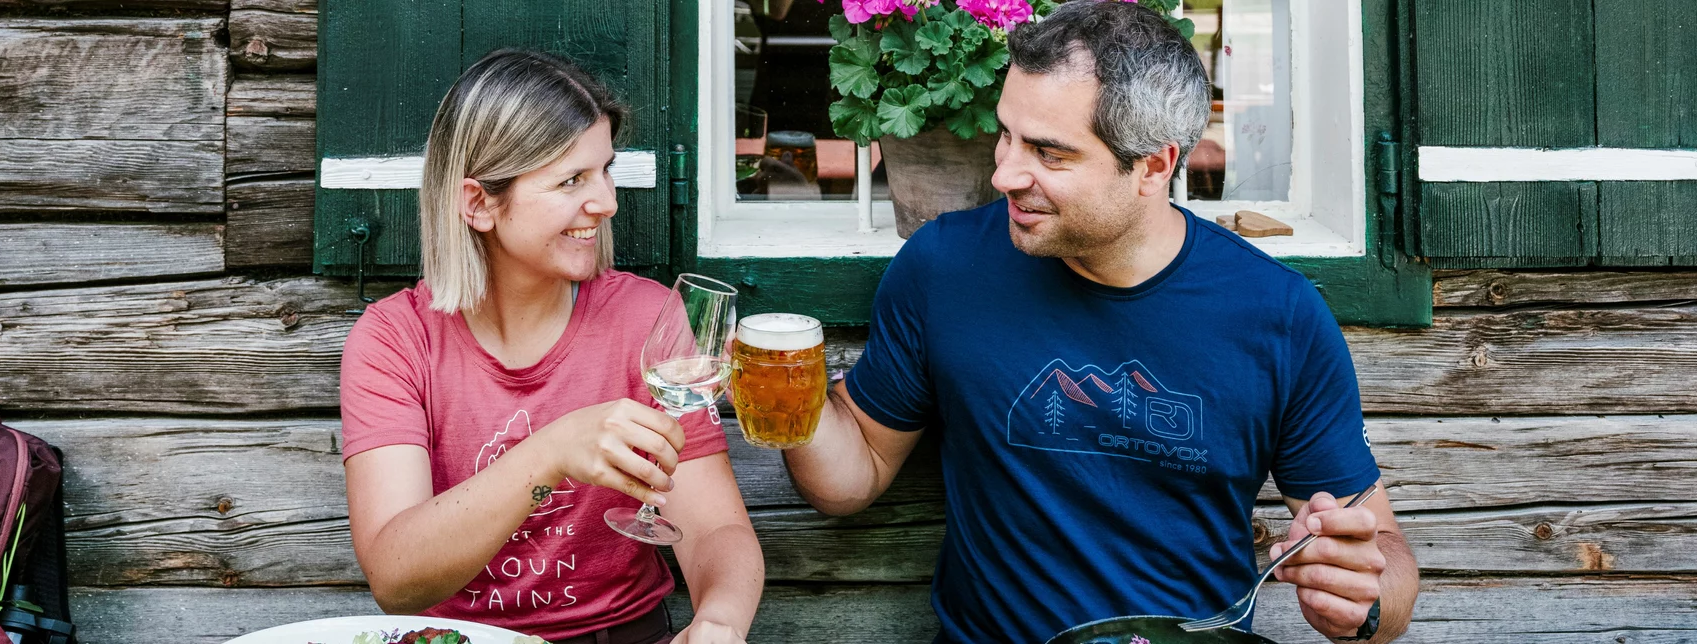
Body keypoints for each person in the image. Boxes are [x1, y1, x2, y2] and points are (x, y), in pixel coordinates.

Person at [781, 2, 1418, 642]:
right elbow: (851, 473)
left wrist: (1362, 594)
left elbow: (1384, 559)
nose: (1004, 173)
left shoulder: (1278, 315)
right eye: (1007, 133)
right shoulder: (945, 267)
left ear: (1153, 166)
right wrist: (781, 385)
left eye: (1050, 153)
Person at [339, 49, 763, 644]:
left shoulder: (643, 319)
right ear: (479, 203)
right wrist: (552, 453)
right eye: (571, 180)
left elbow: (717, 529)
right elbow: (395, 578)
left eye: (605, 170)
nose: (607, 202)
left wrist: (719, 620)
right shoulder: (395, 340)